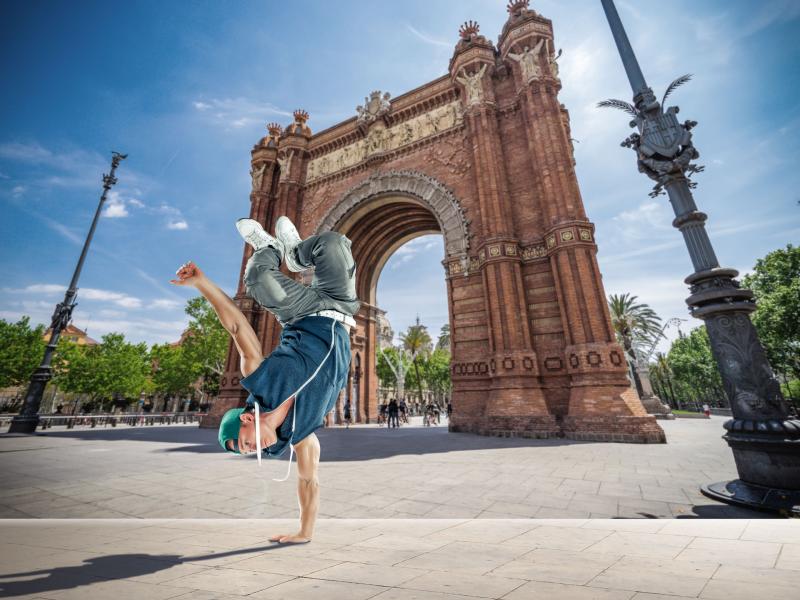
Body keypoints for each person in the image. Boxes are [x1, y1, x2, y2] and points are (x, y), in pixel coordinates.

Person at [170, 215, 359, 544]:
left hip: (302, 312)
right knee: (333, 243)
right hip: (341, 308)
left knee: (257, 278)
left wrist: (201, 283)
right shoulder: (300, 436)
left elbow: (237, 327)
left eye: (244, 443)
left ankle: (279, 251)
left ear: (246, 418)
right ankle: (298, 252)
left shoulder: (258, 379)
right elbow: (308, 483)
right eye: (246, 452)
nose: (250, 450)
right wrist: (304, 532)